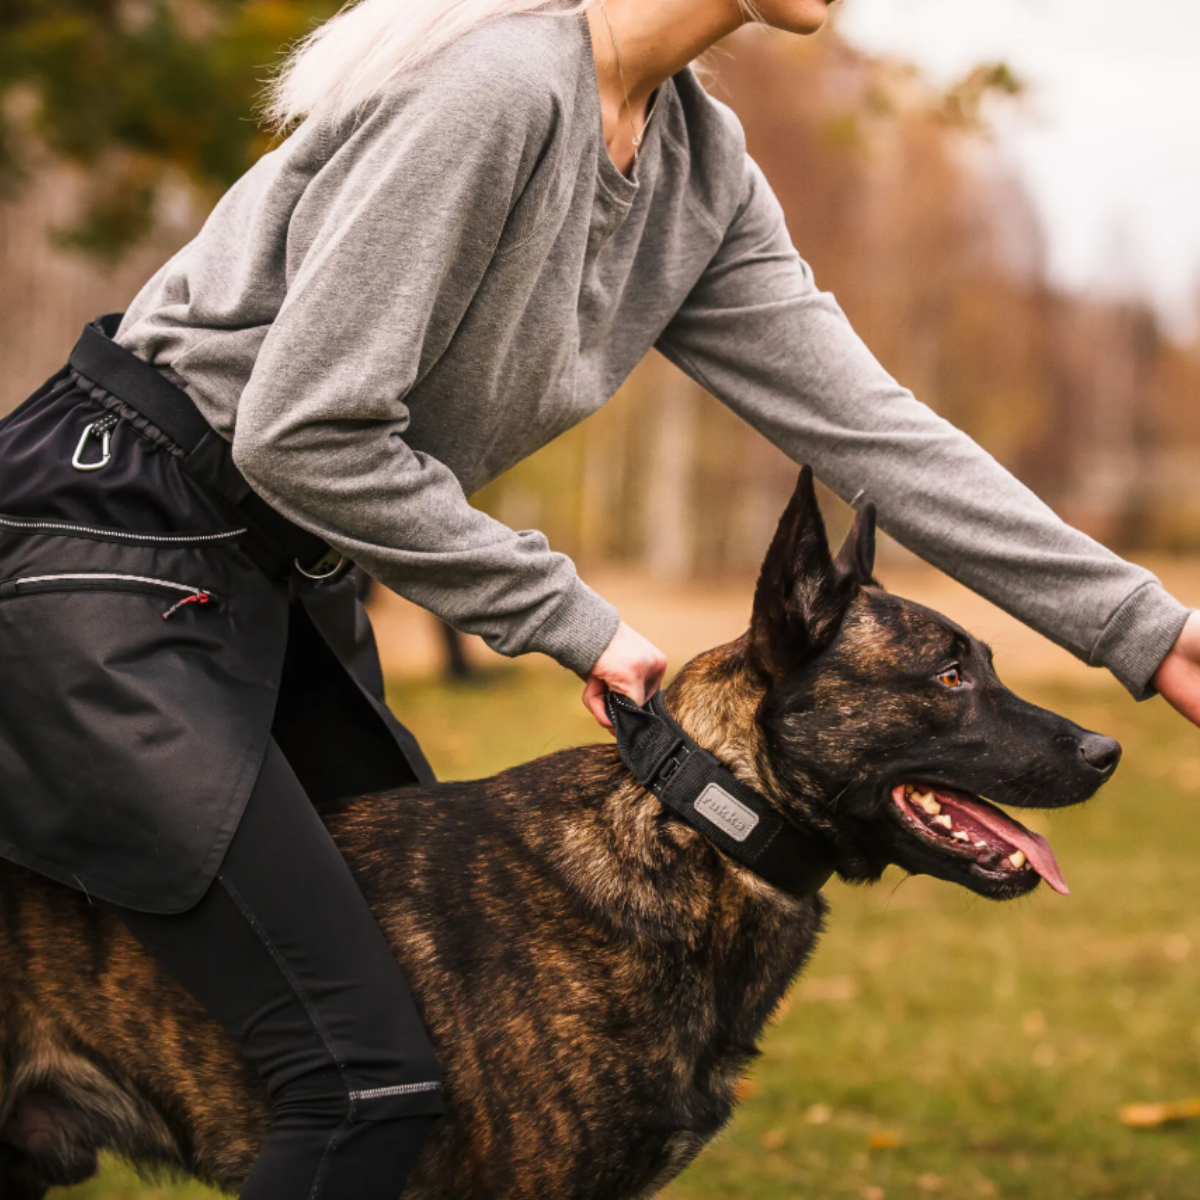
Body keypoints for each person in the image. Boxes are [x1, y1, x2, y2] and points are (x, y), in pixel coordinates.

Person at [1, 0, 1197, 1195]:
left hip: (278, 588)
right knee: (363, 1081)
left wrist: (1152, 631)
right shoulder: (497, 91)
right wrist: (566, 614)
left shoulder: (699, 165)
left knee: (437, 1071)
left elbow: (875, 435)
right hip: (111, 551)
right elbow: (305, 432)